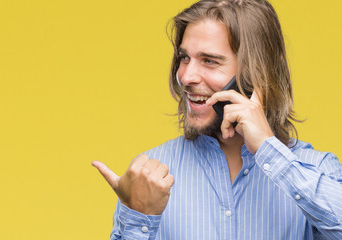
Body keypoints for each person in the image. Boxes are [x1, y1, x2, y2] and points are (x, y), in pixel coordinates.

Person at [92, 0, 342, 239]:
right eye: (184, 58)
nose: (186, 76)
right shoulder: (148, 178)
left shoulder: (317, 170)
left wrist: (269, 149)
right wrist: (139, 217)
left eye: (209, 61)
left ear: (254, 74)